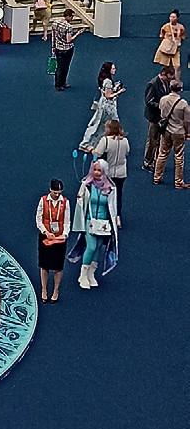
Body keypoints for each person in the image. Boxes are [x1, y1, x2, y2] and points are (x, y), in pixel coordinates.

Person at [71, 158, 119, 290]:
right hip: (89, 221)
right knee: (91, 247)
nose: (97, 173)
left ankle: (91, 274)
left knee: (97, 248)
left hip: (104, 224)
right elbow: (80, 204)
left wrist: (113, 223)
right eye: (95, 170)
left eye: (99, 170)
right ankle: (83, 274)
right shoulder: (87, 185)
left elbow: (113, 207)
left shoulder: (110, 188)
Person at [35, 178, 70, 303]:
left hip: (59, 238)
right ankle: (44, 289)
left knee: (58, 266)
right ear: (50, 190)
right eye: (55, 192)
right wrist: (46, 232)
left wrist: (64, 234)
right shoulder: (43, 200)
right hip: (46, 237)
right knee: (44, 265)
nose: (57, 194)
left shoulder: (65, 202)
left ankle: (56, 290)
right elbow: (38, 219)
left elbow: (67, 220)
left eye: (59, 192)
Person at [80, 62, 124, 152]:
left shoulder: (105, 80)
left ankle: (93, 142)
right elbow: (108, 96)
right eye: (113, 69)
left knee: (99, 123)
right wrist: (119, 92)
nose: (115, 70)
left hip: (104, 105)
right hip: (108, 107)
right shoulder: (108, 82)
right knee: (111, 123)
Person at [154, 78, 190, 188]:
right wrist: (187, 133)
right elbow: (186, 121)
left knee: (162, 154)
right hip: (178, 132)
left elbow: (161, 113)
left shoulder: (163, 99)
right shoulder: (183, 103)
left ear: (170, 88)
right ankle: (178, 182)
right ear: (180, 89)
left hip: (166, 130)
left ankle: (157, 177)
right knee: (179, 157)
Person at [94, 119, 130, 226]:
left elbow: (97, 153)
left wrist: (91, 149)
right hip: (121, 173)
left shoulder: (105, 140)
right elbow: (127, 152)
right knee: (118, 195)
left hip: (108, 173)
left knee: (105, 194)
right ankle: (117, 217)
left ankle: (106, 216)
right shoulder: (125, 141)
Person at [143, 66, 173, 170]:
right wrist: (162, 106)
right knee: (152, 140)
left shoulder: (167, 83)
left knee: (160, 140)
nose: (169, 80)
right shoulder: (152, 84)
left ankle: (156, 161)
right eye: (168, 78)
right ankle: (147, 162)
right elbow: (149, 101)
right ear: (163, 74)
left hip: (163, 117)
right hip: (154, 117)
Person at [50, 8, 84, 91]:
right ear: (68, 16)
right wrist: (78, 34)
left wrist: (53, 47)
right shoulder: (68, 27)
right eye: (72, 16)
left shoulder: (55, 23)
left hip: (58, 48)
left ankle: (58, 83)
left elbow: (53, 36)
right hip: (67, 49)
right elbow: (69, 40)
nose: (72, 18)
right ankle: (62, 83)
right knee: (65, 66)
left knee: (59, 66)